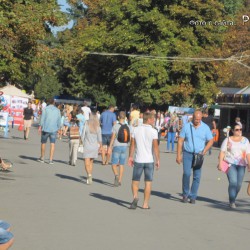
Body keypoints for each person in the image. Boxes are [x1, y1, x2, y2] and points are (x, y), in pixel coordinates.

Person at [176, 110, 213, 204]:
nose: (198, 121)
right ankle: (185, 194)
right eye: (196, 119)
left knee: (197, 176)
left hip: (199, 155)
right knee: (187, 174)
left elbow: (211, 140)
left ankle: (193, 196)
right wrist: (178, 155)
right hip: (187, 153)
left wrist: (204, 151)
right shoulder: (187, 126)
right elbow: (180, 140)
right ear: (193, 117)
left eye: (199, 119)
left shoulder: (205, 128)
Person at [128, 112, 160, 209]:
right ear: (149, 120)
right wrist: (158, 160)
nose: (154, 120)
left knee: (135, 181)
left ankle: (135, 197)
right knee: (148, 182)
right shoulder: (154, 131)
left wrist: (130, 156)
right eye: (153, 119)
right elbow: (155, 147)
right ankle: (145, 204)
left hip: (138, 159)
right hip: (149, 160)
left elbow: (132, 144)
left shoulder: (135, 129)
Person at [218, 123, 250, 209]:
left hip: (242, 165)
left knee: (239, 185)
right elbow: (222, 152)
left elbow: (248, 153)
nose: (239, 131)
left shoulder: (245, 140)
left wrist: (249, 164)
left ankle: (233, 198)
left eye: (240, 129)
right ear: (232, 131)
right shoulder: (228, 140)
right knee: (233, 182)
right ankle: (232, 201)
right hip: (230, 164)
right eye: (237, 129)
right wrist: (220, 163)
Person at [108, 111, 130, 187]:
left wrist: (110, 147)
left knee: (114, 164)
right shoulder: (128, 127)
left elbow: (113, 138)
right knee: (121, 164)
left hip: (117, 146)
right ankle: (120, 180)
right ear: (125, 118)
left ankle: (116, 175)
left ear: (118, 117)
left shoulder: (115, 126)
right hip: (124, 146)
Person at [38, 99, 61, 164]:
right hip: (54, 129)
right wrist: (59, 128)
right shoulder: (57, 110)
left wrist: (40, 126)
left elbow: (42, 119)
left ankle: (42, 158)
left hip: (46, 128)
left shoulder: (45, 109)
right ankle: (51, 160)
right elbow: (59, 120)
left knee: (43, 143)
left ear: (48, 102)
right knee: (52, 144)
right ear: (54, 103)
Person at [82, 113, 102, 184]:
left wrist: (81, 143)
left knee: (86, 163)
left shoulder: (86, 125)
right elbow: (100, 139)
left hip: (87, 145)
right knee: (91, 162)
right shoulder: (98, 128)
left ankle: (89, 175)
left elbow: (83, 135)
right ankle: (90, 175)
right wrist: (100, 147)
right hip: (94, 147)